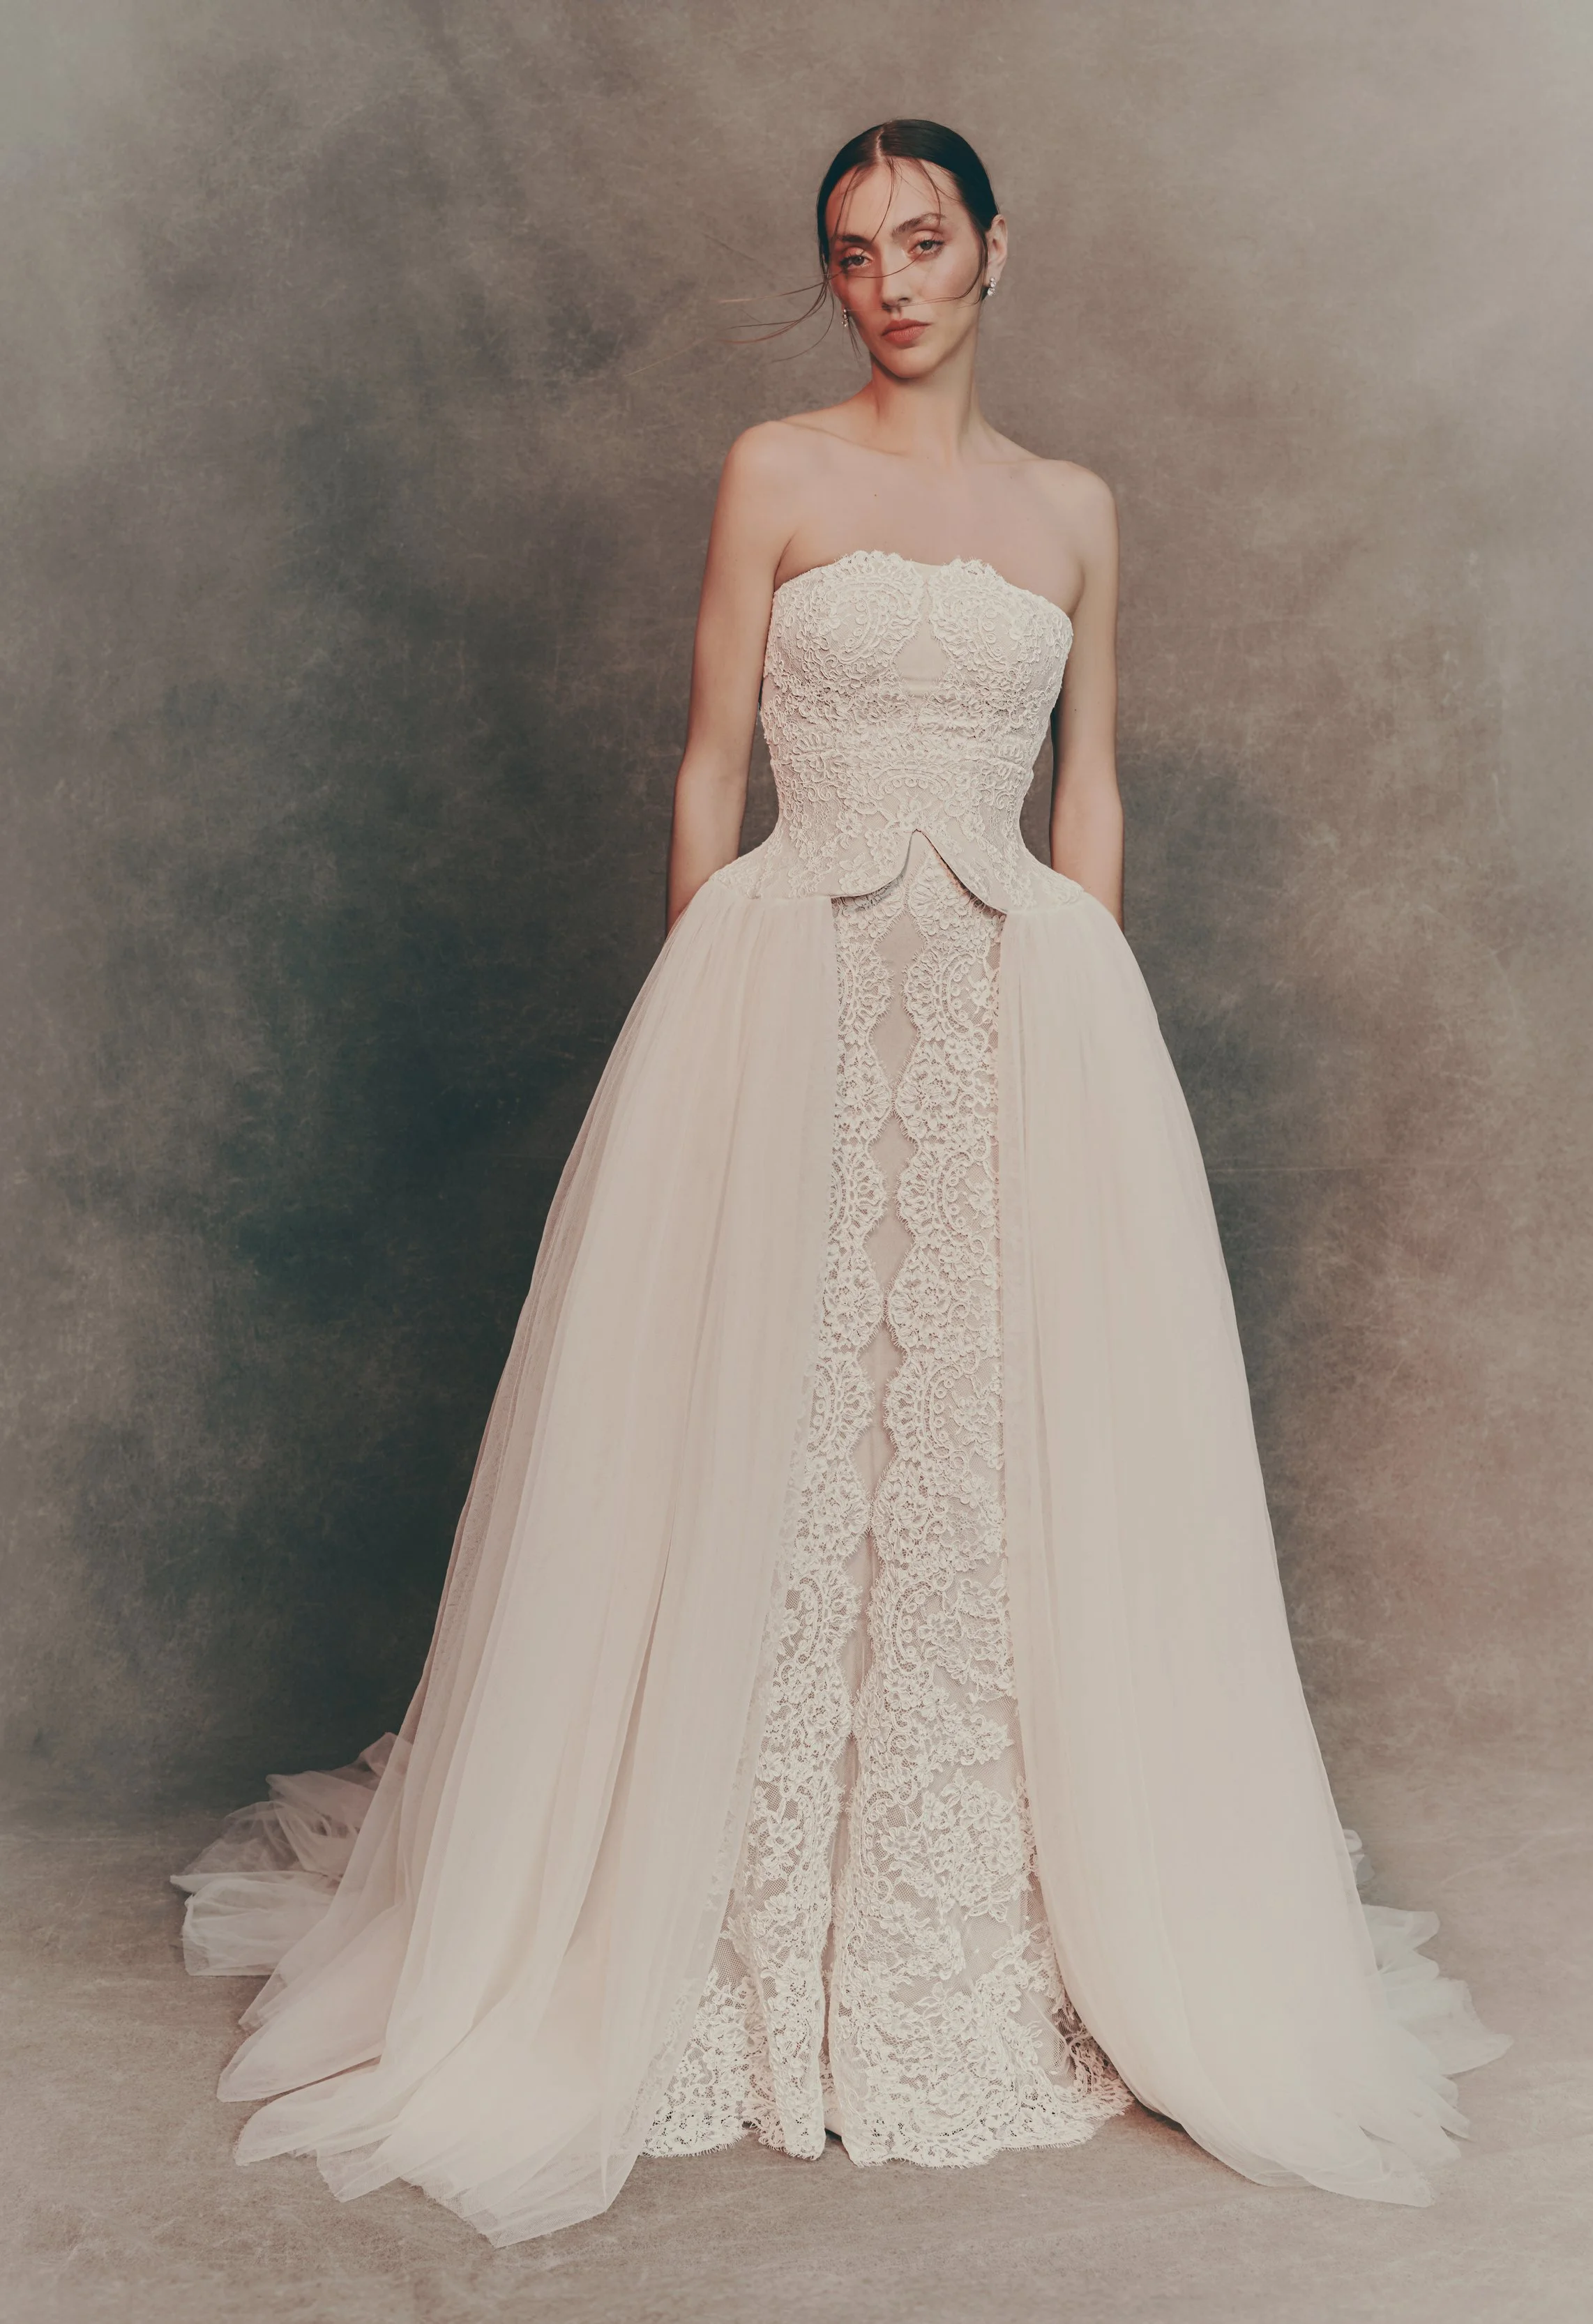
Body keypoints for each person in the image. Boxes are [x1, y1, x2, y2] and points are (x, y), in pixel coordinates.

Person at [174, 119, 1507, 2249]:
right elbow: (710, 762)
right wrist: (706, 1019)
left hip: (1017, 1020)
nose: (884, 281)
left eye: (921, 241)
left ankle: (968, 1919)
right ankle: (712, 1925)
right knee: (761, 1438)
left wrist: (1092, 1047)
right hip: (792, 997)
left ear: (997, 249)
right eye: (849, 252)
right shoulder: (771, 471)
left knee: (983, 1453)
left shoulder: (1073, 510)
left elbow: (1091, 788)